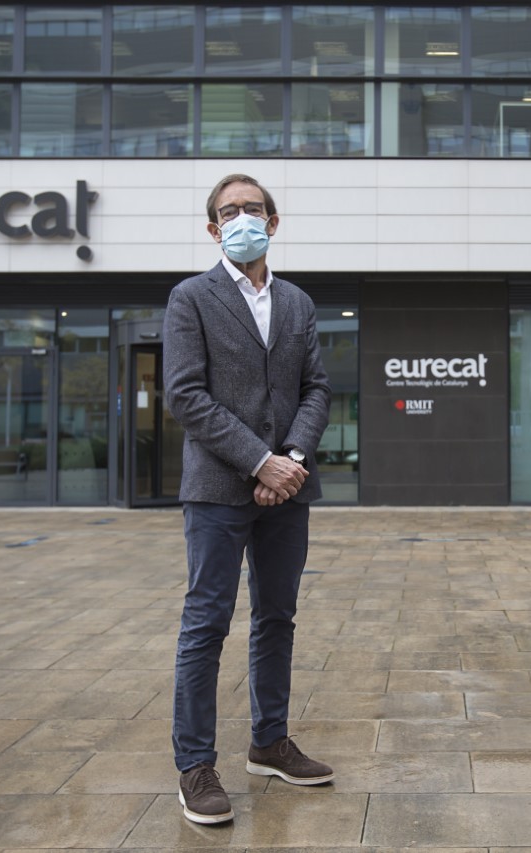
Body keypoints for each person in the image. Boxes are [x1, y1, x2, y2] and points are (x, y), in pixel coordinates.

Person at [163, 173, 333, 826]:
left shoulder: (297, 302)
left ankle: (269, 740)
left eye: (252, 209)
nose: (242, 219)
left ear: (274, 221)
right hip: (216, 488)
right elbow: (185, 393)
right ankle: (196, 764)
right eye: (228, 211)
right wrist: (257, 459)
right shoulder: (190, 298)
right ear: (212, 229)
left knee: (277, 616)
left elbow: (316, 386)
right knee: (206, 621)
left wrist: (289, 459)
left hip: (288, 488)